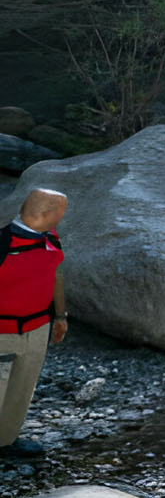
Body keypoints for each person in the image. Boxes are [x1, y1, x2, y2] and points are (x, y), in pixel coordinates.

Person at [0, 189, 68, 460]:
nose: (62, 217)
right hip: (2, 330)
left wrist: (61, 316)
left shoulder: (51, 239)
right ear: (47, 213)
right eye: (61, 211)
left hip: (38, 327)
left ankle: (6, 441)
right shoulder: (3, 243)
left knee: (22, 388)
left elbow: (56, 275)